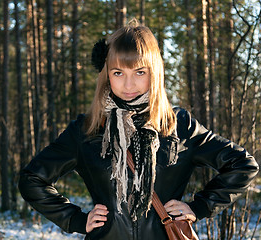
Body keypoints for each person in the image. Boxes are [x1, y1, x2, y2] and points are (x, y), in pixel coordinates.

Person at [19, 20, 259, 240]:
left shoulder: (178, 125)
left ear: (154, 72)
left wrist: (199, 207)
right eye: (118, 73)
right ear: (107, 75)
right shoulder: (87, 129)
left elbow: (243, 165)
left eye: (139, 72)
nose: (129, 84)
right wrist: (76, 219)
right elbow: (32, 179)